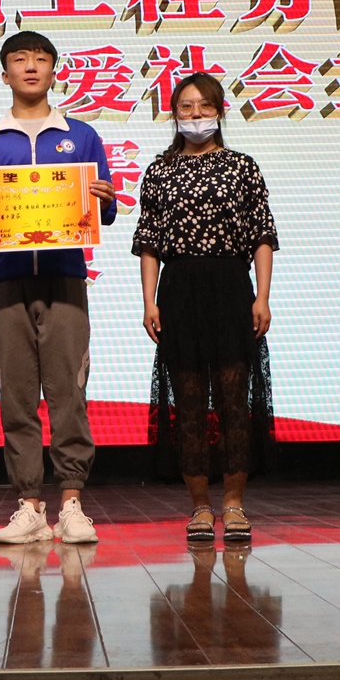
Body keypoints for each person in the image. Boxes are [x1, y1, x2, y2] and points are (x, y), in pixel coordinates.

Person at [0, 30, 118, 545]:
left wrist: (103, 198)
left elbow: (106, 209)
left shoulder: (81, 135)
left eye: (41, 59)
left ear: (53, 70)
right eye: (20, 59)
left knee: (68, 391)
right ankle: (28, 504)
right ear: (5, 74)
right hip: (4, 279)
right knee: (17, 395)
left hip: (65, 277)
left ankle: (71, 502)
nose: (30, 66)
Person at [133, 72, 278, 542]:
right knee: (189, 402)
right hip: (179, 289)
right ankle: (199, 507)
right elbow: (149, 241)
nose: (195, 115)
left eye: (204, 106)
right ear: (174, 114)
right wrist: (149, 301)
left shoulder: (242, 167)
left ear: (219, 111)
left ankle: (234, 504)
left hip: (231, 286)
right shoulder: (160, 170)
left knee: (235, 399)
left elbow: (261, 235)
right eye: (186, 107)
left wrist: (262, 296)